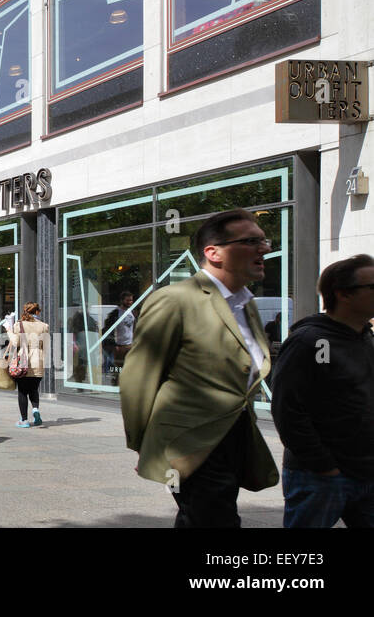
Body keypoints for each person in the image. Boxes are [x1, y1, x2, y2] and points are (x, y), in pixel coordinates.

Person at [120, 208, 278, 528]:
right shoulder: (176, 299)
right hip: (188, 443)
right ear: (213, 253)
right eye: (251, 241)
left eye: (264, 240)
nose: (264, 248)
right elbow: (139, 377)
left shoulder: (245, 305)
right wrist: (145, 446)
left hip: (234, 438)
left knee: (199, 519)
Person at [271, 254, 374, 527]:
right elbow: (289, 410)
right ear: (343, 294)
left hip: (365, 470)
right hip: (322, 476)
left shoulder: (364, 337)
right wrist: (323, 465)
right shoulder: (315, 342)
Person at [6, 302, 50, 428]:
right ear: (37, 312)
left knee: (22, 392)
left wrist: (9, 330)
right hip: (38, 361)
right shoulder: (44, 326)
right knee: (34, 389)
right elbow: (46, 346)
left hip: (23, 362)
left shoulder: (18, 325)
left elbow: (15, 341)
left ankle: (24, 420)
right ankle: (35, 410)